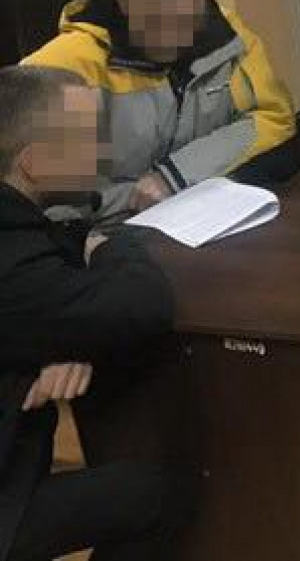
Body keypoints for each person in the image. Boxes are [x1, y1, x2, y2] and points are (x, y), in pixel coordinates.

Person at [0, 65, 184, 560]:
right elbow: (145, 303)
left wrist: (60, 339)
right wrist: (110, 248)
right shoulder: (16, 271)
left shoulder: (15, 223)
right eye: (85, 139)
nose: (102, 151)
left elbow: (59, 248)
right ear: (34, 162)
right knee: (149, 496)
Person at [24, 0, 300, 221]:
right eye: (153, 20)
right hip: (100, 229)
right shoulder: (64, 65)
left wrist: (176, 174)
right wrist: (123, 203)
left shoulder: (230, 39)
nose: (172, 38)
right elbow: (30, 185)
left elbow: (274, 117)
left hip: (195, 214)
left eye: (187, 21)